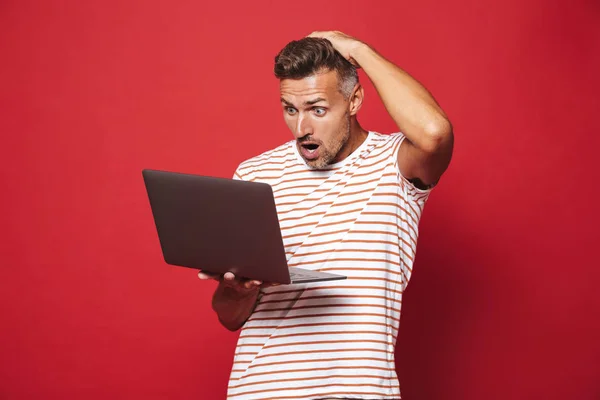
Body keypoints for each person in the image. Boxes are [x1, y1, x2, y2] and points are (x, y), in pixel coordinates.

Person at [198, 30, 454, 400]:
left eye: (317, 109)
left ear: (354, 100)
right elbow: (230, 317)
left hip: (358, 391)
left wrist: (359, 50)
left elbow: (434, 133)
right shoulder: (255, 175)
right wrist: (235, 290)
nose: (301, 129)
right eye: (290, 109)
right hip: (259, 390)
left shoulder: (395, 164)